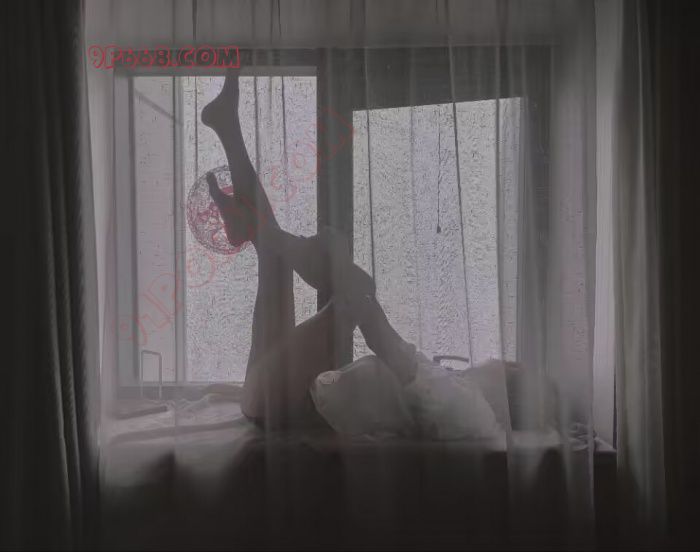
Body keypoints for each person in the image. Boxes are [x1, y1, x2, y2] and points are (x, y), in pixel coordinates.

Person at [201, 71, 500, 440]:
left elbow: (377, 332)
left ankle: (260, 226)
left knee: (355, 290)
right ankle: (230, 132)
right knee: (279, 261)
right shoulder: (457, 391)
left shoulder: (469, 410)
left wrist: (337, 264)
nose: (499, 361)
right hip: (277, 396)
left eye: (511, 369)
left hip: (279, 404)